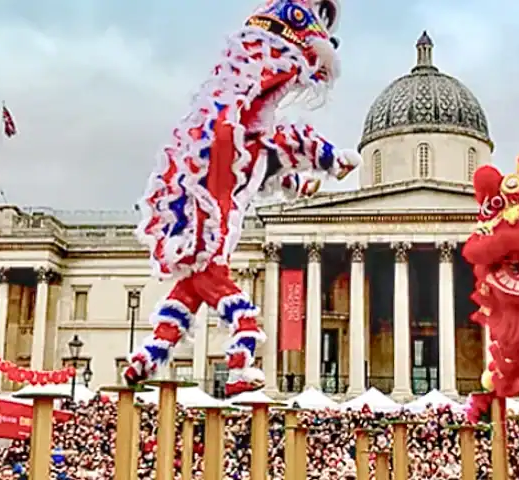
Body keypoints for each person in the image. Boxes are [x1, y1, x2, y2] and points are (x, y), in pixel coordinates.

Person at [123, 0, 360, 397]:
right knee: (214, 282)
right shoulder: (235, 134)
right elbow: (277, 145)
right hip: (211, 217)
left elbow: (266, 161)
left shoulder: (244, 141)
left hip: (214, 212)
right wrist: (329, 159)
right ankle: (239, 358)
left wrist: (300, 185)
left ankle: (147, 356)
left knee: (191, 289)